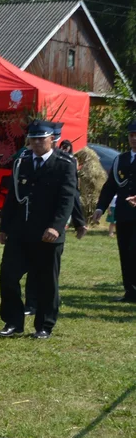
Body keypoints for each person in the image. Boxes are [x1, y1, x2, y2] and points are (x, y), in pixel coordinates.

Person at [0, 120, 78, 340]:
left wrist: (56, 227)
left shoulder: (65, 162)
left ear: (52, 139)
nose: (37, 142)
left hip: (48, 233)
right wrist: (5, 227)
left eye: (42, 138)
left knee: (46, 282)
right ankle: (13, 321)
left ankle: (44, 325)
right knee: (8, 276)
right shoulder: (21, 161)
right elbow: (13, 196)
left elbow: (67, 198)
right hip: (20, 231)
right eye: (33, 138)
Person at [94, 119, 136, 303]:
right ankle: (130, 292)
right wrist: (100, 208)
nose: (134, 139)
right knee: (125, 252)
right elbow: (110, 186)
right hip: (124, 214)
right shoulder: (121, 159)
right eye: (131, 135)